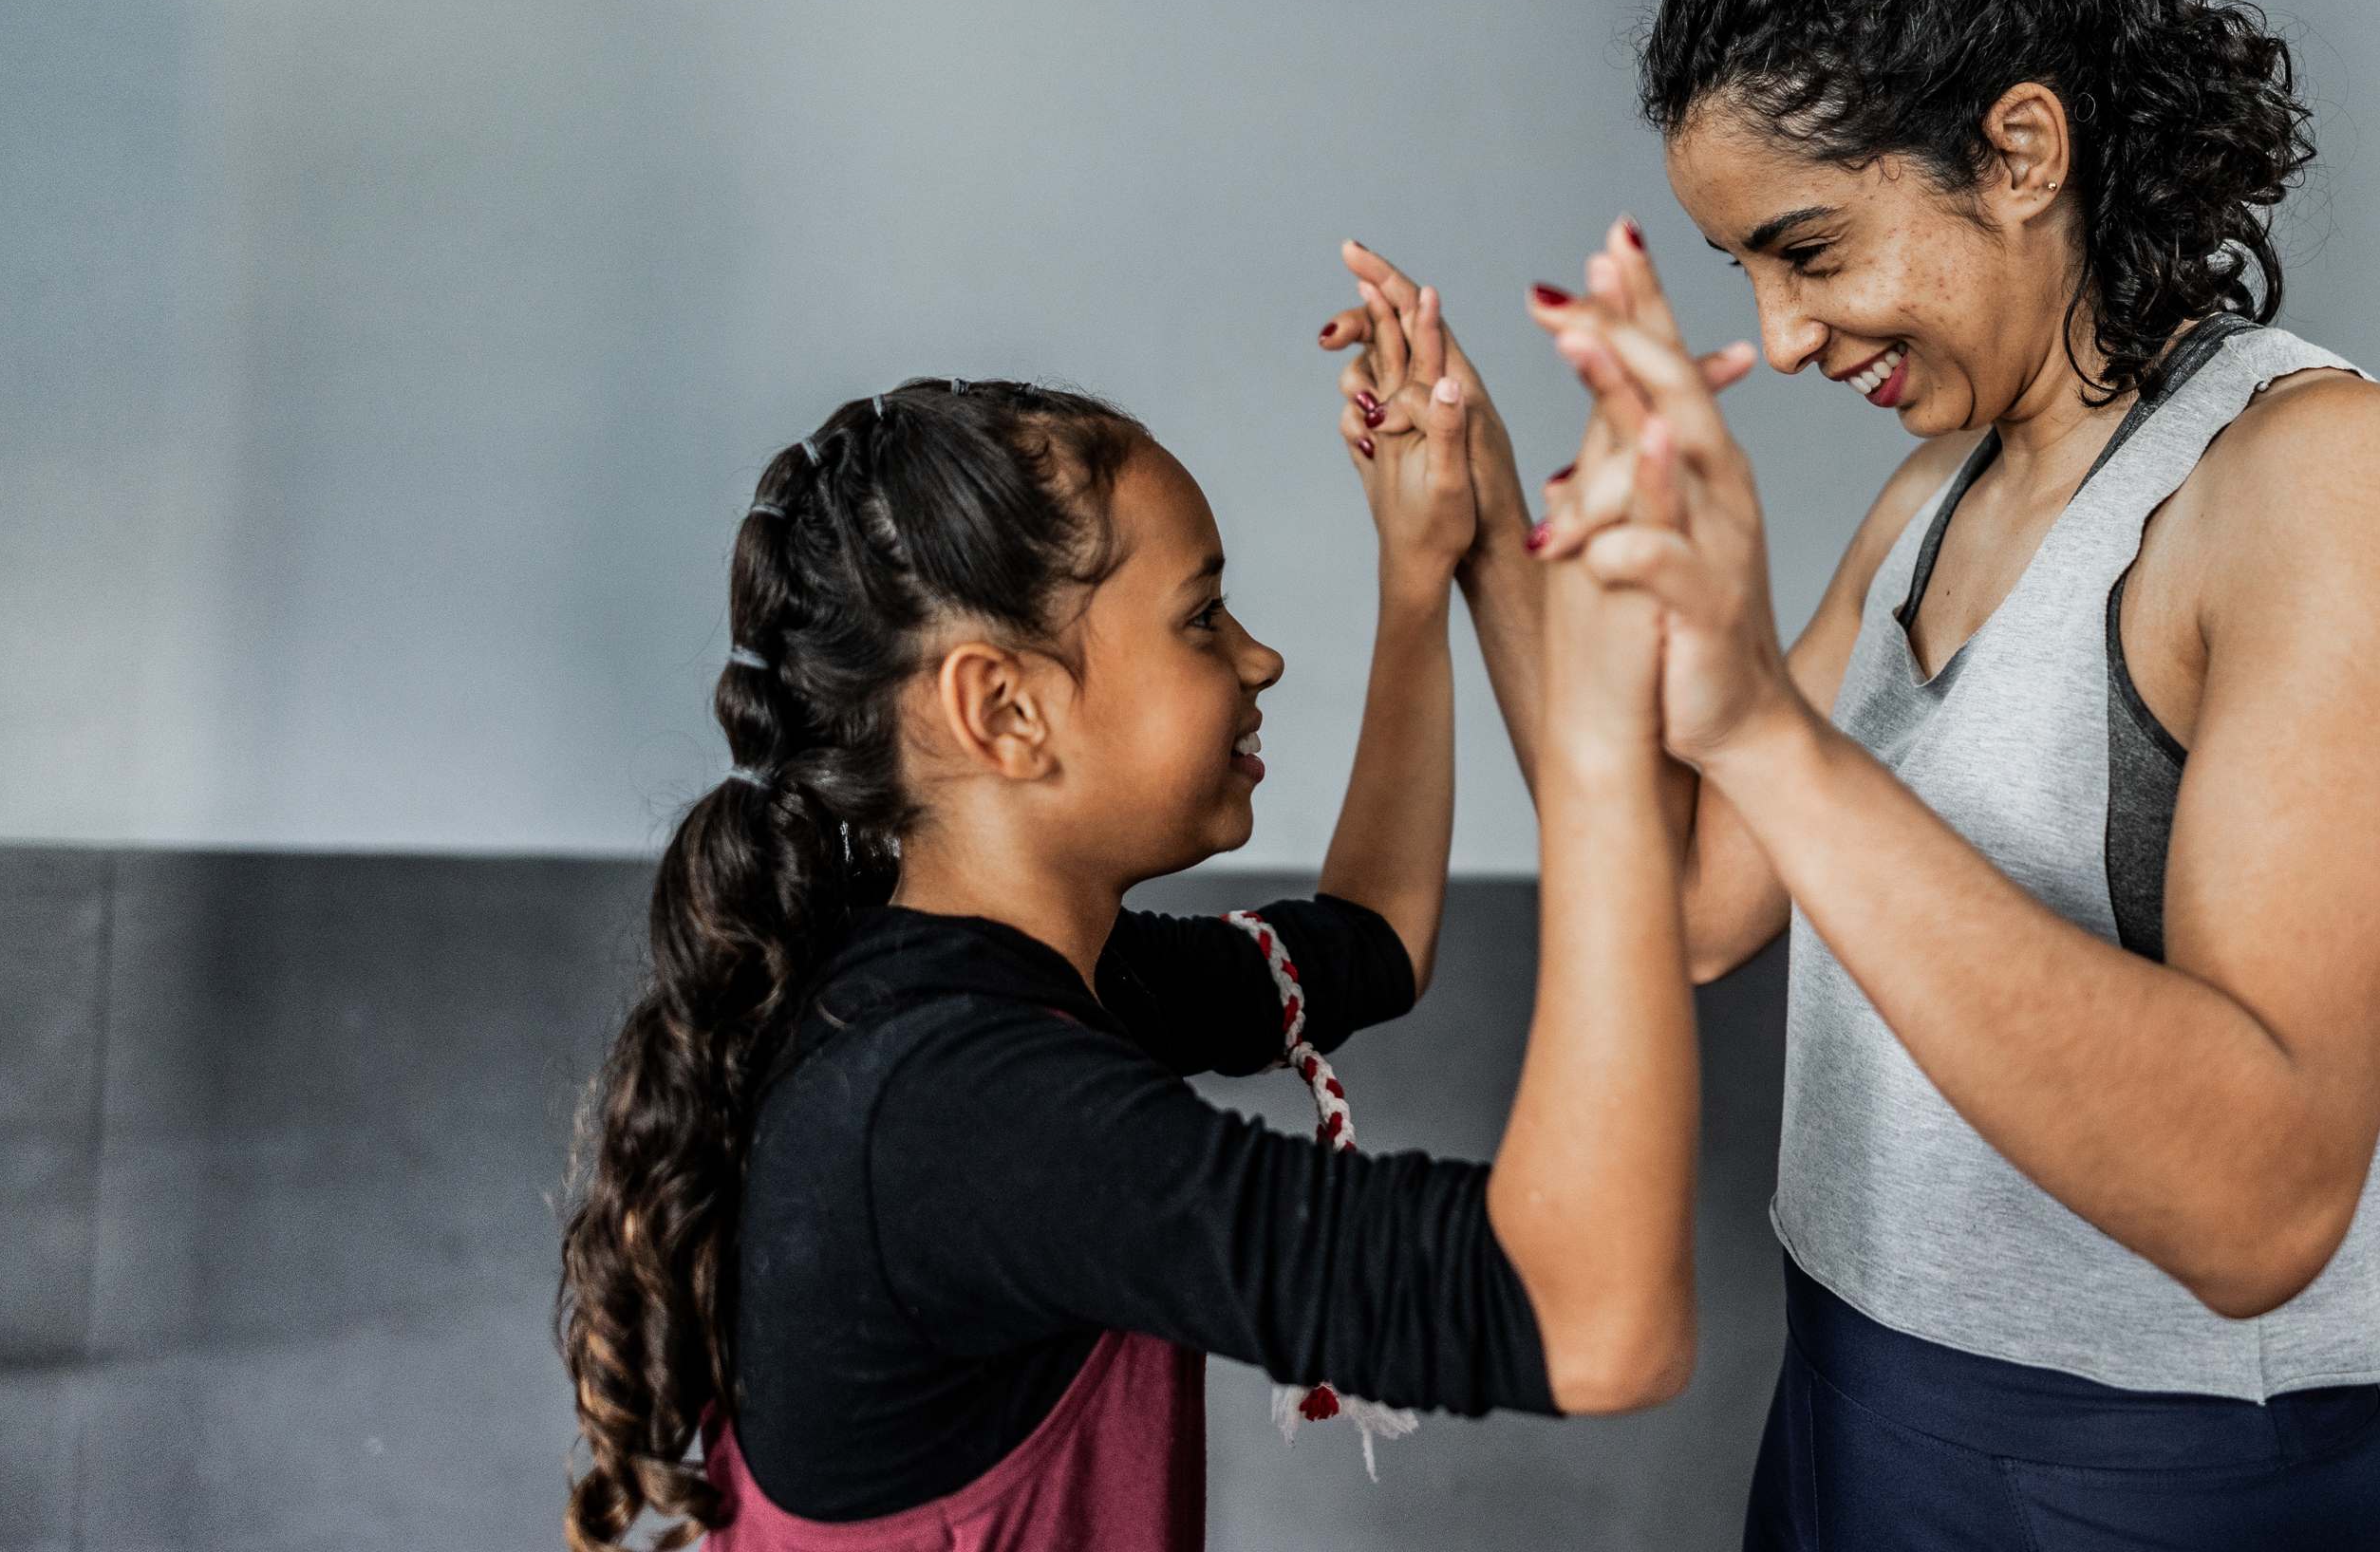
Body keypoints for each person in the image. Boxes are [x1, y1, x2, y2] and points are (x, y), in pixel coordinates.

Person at [1375, 0, 2380, 1550]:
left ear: (2022, 148)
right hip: (1844, 1401)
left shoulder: (2327, 478)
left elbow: (2267, 1201)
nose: (1784, 335)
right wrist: (1491, 533)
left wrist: (1760, 728)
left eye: (1807, 249)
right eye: (1741, 270)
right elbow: (1694, 904)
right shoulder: (1938, 495)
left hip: (2144, 1479)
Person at [553, 333, 1702, 1552]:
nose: (1258, 655)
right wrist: (1601, 741)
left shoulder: (1004, 980)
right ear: (1005, 708)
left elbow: (1373, 943)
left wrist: (1423, 577)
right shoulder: (970, 1114)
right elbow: (1599, 1315)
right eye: (1201, 615)